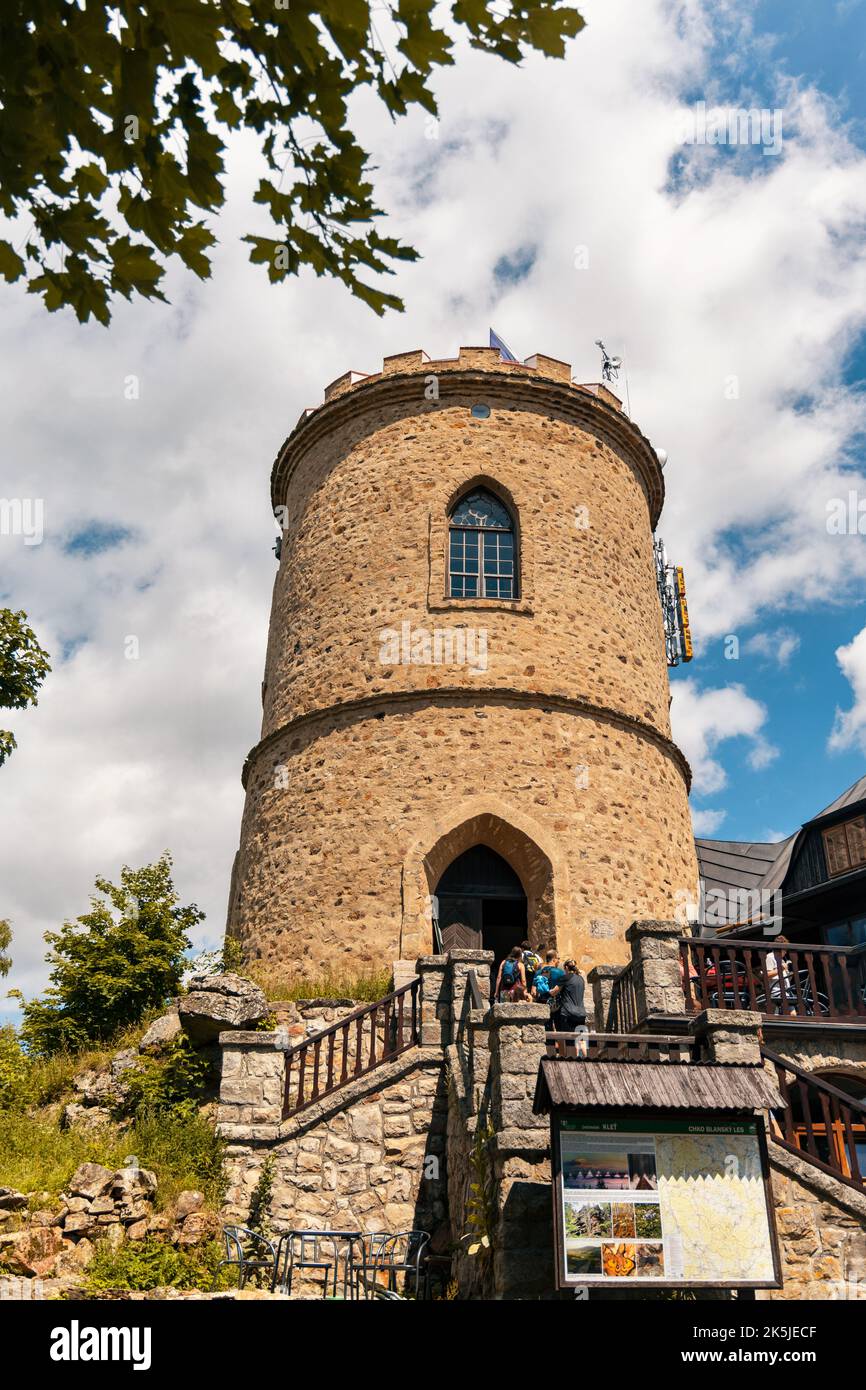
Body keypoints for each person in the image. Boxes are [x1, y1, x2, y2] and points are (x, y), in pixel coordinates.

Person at [550, 959, 588, 1056]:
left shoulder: (565, 977)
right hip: (581, 1014)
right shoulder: (581, 979)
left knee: (569, 1041)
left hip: (568, 1013)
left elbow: (554, 992)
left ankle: (571, 1062)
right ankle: (586, 1059)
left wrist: (547, 990)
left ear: (566, 967)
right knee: (581, 1039)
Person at [765, 936, 796, 1016]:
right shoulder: (770, 957)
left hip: (785, 991)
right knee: (792, 1014)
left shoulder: (781, 960)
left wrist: (789, 975)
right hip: (777, 991)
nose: (785, 952)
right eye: (784, 949)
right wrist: (781, 968)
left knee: (790, 1012)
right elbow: (767, 975)